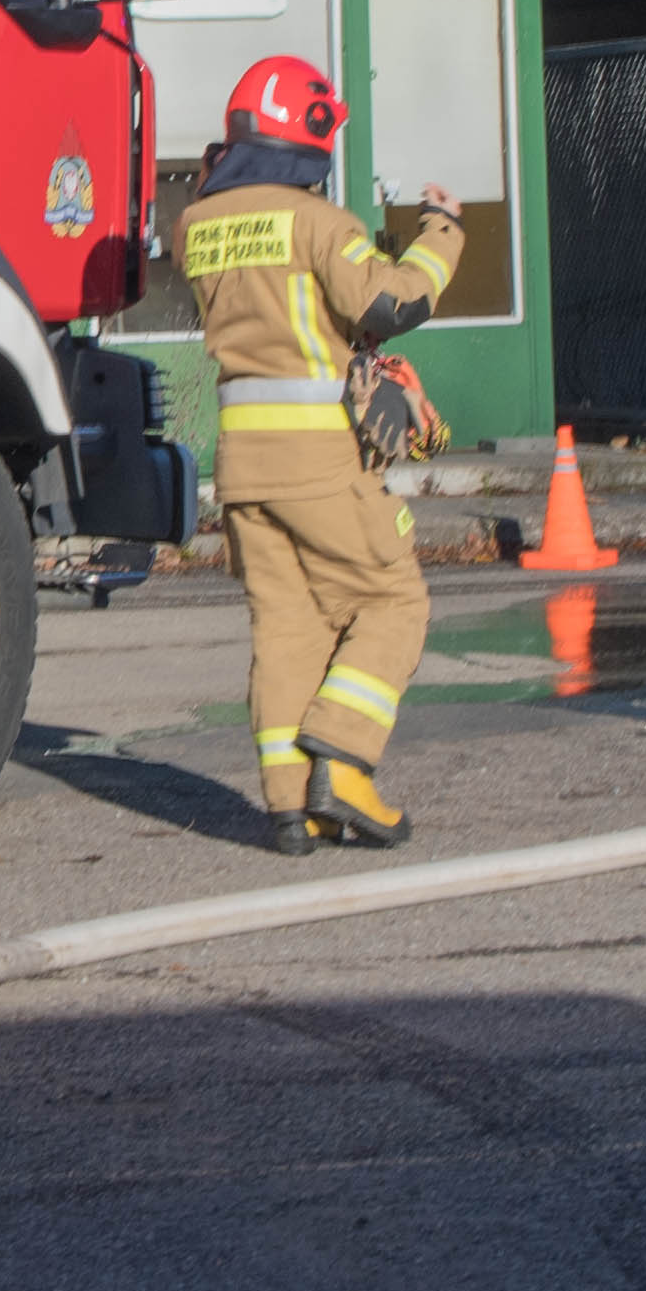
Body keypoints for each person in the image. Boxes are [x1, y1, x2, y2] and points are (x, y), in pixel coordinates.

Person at [177, 54, 464, 853]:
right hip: (318, 461)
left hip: (241, 471)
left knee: (286, 627)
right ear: (308, 134)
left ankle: (286, 805)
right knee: (393, 601)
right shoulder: (319, 223)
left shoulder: (198, 223)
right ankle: (345, 763)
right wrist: (442, 234)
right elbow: (390, 300)